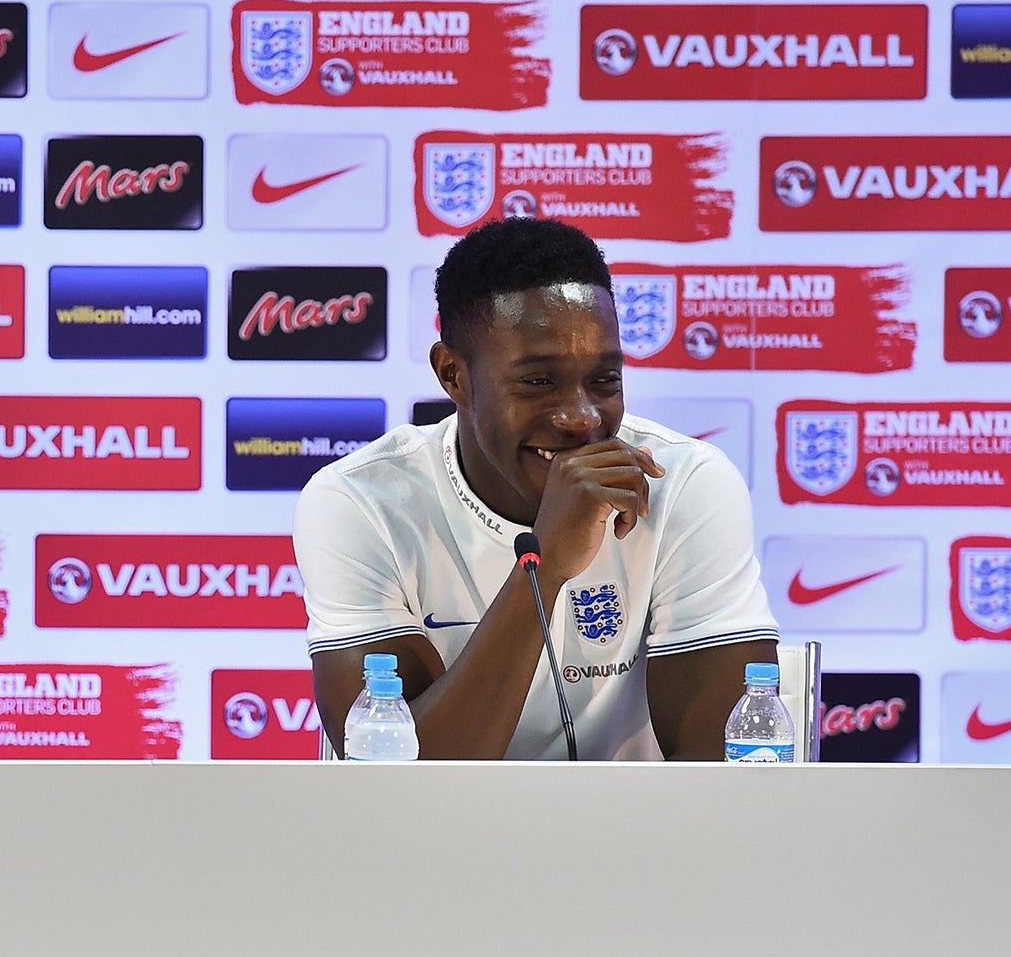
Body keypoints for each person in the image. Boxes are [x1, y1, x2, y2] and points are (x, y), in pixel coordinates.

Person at [294, 217, 778, 760]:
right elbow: (402, 784)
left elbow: (725, 774)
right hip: (438, 845)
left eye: (604, 380)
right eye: (538, 382)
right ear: (453, 374)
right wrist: (544, 568)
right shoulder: (360, 503)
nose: (580, 417)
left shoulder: (685, 484)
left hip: (638, 839)